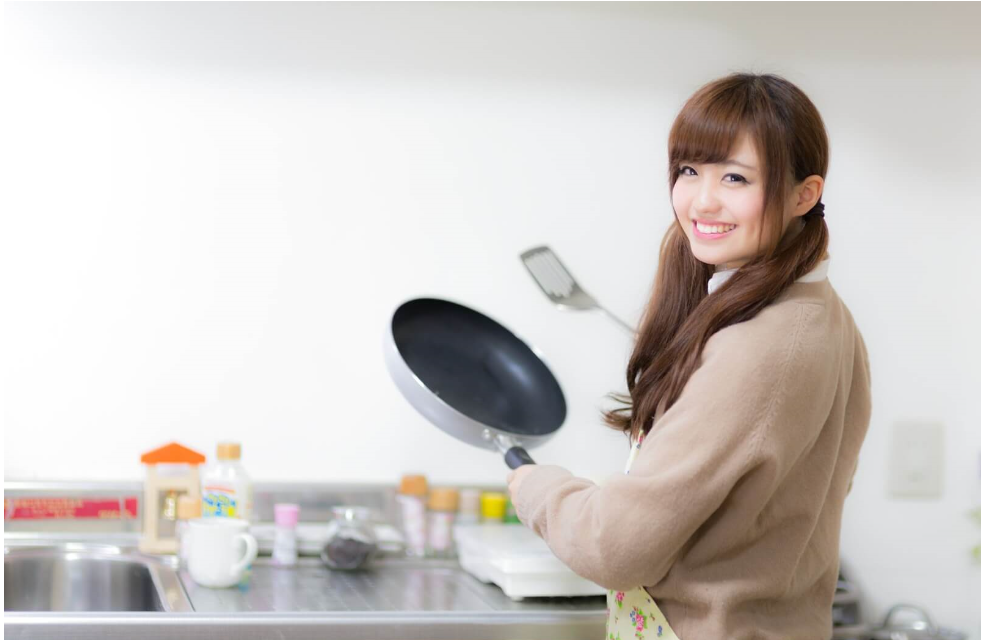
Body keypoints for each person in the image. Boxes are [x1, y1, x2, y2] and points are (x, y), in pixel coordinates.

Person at [506, 72, 872, 640]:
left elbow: (613, 546)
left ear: (804, 194)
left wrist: (534, 486)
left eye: (735, 177)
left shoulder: (757, 348)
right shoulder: (824, 313)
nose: (702, 200)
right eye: (688, 171)